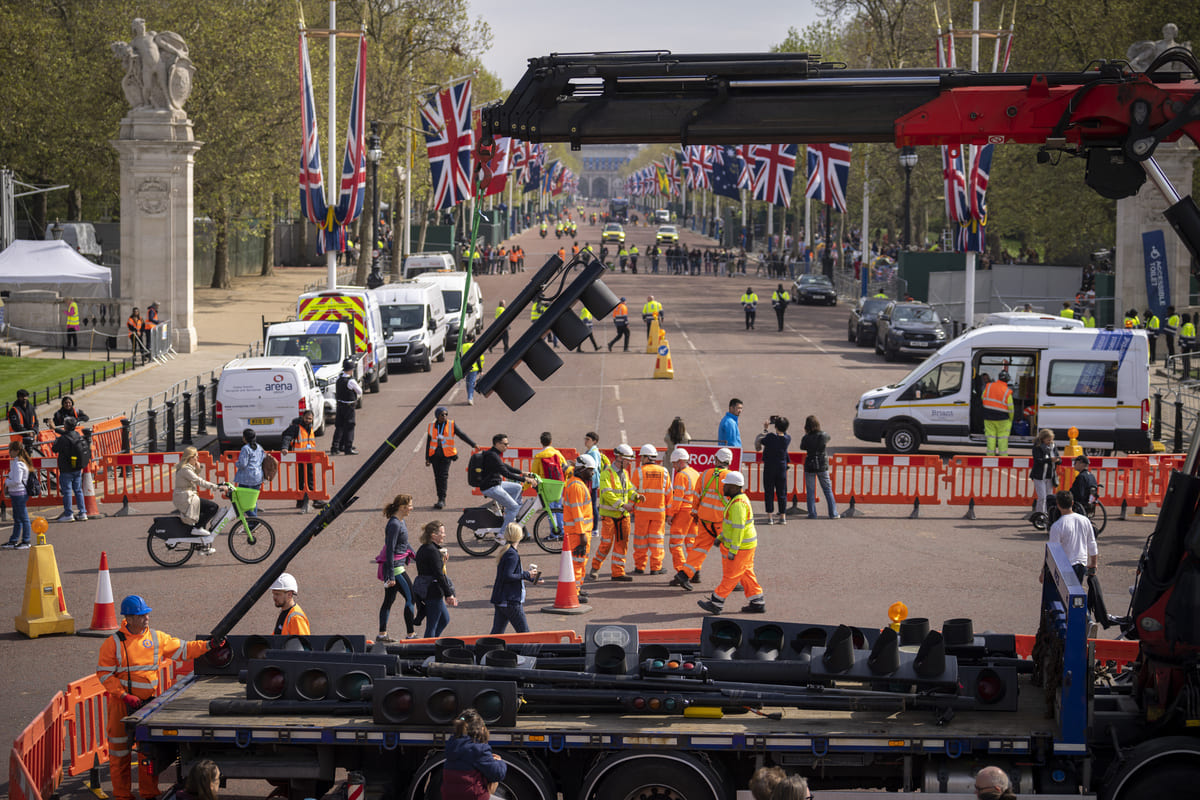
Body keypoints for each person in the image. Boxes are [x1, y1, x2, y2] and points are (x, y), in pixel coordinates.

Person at [97, 595, 216, 800]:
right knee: (119, 755)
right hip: (122, 705)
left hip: (146, 704)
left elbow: (185, 649)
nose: (147, 618)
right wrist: (124, 695)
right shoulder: (114, 643)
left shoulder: (156, 638)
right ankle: (122, 796)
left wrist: (208, 646)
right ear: (130, 618)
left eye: (147, 614)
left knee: (147, 754)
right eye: (142, 615)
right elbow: (104, 674)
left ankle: (149, 793)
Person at [697, 470, 766, 614]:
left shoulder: (738, 504)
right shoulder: (736, 500)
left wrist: (733, 551)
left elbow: (738, 529)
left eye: (726, 485)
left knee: (732, 576)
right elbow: (730, 526)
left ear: (734, 487)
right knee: (746, 573)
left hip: (741, 547)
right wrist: (721, 537)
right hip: (745, 546)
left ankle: (716, 602)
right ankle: (757, 601)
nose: (723, 487)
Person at [671, 447, 733, 591]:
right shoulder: (731, 477)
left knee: (699, 549)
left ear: (716, 460)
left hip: (705, 519)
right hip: (721, 521)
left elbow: (696, 496)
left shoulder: (705, 474)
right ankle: (732, 580)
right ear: (728, 461)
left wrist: (694, 514)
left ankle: (684, 575)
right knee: (727, 551)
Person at [588, 443, 637, 582]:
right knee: (606, 543)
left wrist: (636, 497)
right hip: (609, 515)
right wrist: (623, 505)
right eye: (627, 460)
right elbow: (607, 494)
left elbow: (629, 490)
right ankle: (595, 568)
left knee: (622, 544)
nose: (628, 463)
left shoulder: (625, 474)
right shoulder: (606, 473)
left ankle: (618, 572)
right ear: (620, 458)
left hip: (623, 516)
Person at [441, 708, 506, 800]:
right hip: (474, 796)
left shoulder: (451, 746)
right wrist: (499, 762)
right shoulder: (478, 749)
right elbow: (498, 774)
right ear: (481, 729)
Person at [377, 494, 417, 643]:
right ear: (402, 507)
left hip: (395, 567)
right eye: (410, 506)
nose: (411, 509)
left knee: (389, 600)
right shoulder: (394, 524)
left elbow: (405, 544)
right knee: (411, 598)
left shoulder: (401, 521)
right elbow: (390, 549)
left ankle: (382, 635)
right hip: (396, 569)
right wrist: (391, 576)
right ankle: (411, 635)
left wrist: (416, 557)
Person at [480, 433, 538, 534]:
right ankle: (502, 535)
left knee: (517, 488)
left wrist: (522, 472)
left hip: (495, 483)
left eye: (508, 444)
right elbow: (506, 473)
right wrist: (525, 479)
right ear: (497, 444)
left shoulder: (493, 454)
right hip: (491, 487)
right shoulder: (492, 455)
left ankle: (510, 514)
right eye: (505, 444)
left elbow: (504, 466)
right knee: (514, 507)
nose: (508, 446)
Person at [490, 523, 542, 633]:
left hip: (501, 599)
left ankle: (484, 649)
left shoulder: (506, 551)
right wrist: (527, 575)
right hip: (510, 601)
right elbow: (508, 576)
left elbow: (511, 573)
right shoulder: (512, 554)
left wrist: (530, 577)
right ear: (519, 536)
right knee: (524, 634)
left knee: (496, 634)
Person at [425, 407, 476, 510]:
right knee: (437, 477)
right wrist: (427, 458)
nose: (444, 416)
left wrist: (473, 444)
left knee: (443, 477)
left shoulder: (451, 424)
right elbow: (428, 443)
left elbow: (462, 435)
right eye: (442, 415)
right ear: (437, 416)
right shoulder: (431, 426)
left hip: (446, 455)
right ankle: (440, 498)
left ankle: (442, 500)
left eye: (446, 414)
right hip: (435, 456)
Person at [414, 520, 458, 638]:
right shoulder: (433, 552)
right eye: (442, 532)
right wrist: (449, 594)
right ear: (434, 535)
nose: (444, 535)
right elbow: (439, 575)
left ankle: (433, 643)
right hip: (433, 591)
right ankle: (428, 648)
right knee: (432, 625)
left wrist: (442, 561)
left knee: (444, 619)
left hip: (427, 589)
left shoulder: (425, 548)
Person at [173, 446, 222, 553]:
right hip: (184, 497)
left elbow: (194, 477)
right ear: (190, 457)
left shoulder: (188, 468)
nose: (197, 458)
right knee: (213, 507)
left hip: (187, 495)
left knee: (203, 513)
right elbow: (198, 481)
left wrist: (197, 469)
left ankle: (201, 545)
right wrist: (217, 487)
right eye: (196, 456)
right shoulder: (186, 469)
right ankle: (198, 528)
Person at [1045, 490, 1098, 584]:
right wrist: (1094, 563)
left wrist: (1044, 571)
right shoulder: (1085, 520)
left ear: (1058, 505)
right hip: (1081, 563)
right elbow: (1092, 543)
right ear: (1072, 503)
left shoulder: (1057, 525)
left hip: (1065, 565)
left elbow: (1053, 552)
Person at [631, 444, 669, 575]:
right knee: (657, 540)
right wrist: (670, 513)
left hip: (642, 512)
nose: (641, 459)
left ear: (646, 457)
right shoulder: (664, 472)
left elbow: (632, 492)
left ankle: (640, 567)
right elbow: (669, 493)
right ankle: (656, 567)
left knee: (640, 540)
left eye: (642, 457)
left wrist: (631, 507)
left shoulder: (639, 472)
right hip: (659, 513)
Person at [563, 455, 596, 601]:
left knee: (581, 562)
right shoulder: (576, 486)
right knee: (577, 563)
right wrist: (582, 534)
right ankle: (574, 592)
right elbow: (577, 513)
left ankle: (578, 587)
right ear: (582, 470)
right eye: (591, 470)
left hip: (581, 532)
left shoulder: (578, 483)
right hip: (577, 533)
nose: (593, 474)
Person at [281, 409, 324, 510]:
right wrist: (285, 447)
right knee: (301, 480)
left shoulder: (310, 427)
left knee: (310, 480)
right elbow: (287, 436)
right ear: (302, 417)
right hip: (300, 458)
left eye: (310, 419)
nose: (308, 420)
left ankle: (311, 500)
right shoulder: (296, 427)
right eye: (306, 418)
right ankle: (302, 501)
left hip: (310, 458)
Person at [666, 448, 700, 575]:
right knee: (691, 542)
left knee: (675, 543)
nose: (674, 467)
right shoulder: (695, 473)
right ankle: (695, 570)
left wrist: (671, 514)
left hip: (683, 513)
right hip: (694, 512)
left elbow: (678, 498)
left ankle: (682, 572)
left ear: (680, 462)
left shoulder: (681, 476)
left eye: (674, 464)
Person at [800, 416, 839, 520]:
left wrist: (806, 434)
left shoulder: (806, 437)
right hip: (822, 464)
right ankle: (833, 513)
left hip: (810, 465)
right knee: (827, 489)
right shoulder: (823, 435)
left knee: (810, 491)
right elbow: (828, 438)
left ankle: (812, 513)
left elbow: (802, 447)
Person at [757, 416, 793, 523]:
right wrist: (782, 424)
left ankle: (770, 517)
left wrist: (766, 428)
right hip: (781, 468)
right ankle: (783, 516)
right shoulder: (787, 439)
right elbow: (784, 433)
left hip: (769, 468)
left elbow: (762, 439)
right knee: (782, 492)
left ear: (776, 427)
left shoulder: (771, 437)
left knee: (769, 492)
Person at [52, 416, 88, 522]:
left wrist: (56, 440)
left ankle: (69, 514)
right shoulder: (77, 434)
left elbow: (55, 449)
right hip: (77, 467)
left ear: (65, 426)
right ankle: (82, 512)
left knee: (67, 491)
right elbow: (68, 435)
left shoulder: (63, 439)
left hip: (66, 468)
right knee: (78, 490)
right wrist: (55, 429)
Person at [3, 440, 33, 550]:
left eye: (10, 450)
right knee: (18, 518)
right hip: (18, 493)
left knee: (23, 519)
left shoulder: (18, 463)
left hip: (18, 493)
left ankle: (26, 540)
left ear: (15, 451)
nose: (9, 452)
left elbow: (16, 481)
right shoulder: (20, 462)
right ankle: (14, 540)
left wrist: (6, 482)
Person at [233, 428, 264, 517]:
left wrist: (236, 463)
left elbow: (243, 464)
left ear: (245, 438)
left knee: (242, 502)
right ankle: (252, 523)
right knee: (253, 501)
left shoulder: (245, 448)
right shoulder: (259, 447)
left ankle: (254, 520)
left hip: (246, 478)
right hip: (258, 476)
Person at [982, 371, 1014, 456]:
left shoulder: (989, 386)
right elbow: (1010, 408)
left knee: (991, 438)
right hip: (1003, 419)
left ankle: (990, 458)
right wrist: (1011, 419)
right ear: (1007, 380)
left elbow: (983, 397)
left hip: (988, 416)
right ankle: (1003, 458)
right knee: (1002, 439)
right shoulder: (1007, 391)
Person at [1030, 428, 1059, 521]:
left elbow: (1058, 457)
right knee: (1042, 497)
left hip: (1050, 475)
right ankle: (1040, 515)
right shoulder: (1037, 447)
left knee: (1049, 497)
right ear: (1043, 439)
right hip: (1039, 475)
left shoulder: (1053, 446)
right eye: (1048, 440)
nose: (1050, 441)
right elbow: (1038, 460)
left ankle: (1048, 515)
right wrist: (1050, 460)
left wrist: (1058, 460)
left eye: (1051, 439)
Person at [8, 388, 38, 452]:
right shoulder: (14, 410)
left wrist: (34, 431)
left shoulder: (30, 407)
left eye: (26, 396)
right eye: (22, 397)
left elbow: (36, 422)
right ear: (18, 397)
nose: (24, 398)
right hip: (18, 442)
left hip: (31, 440)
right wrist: (27, 433)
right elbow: (15, 426)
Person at [459, 331, 482, 404]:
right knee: (472, 382)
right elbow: (477, 358)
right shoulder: (474, 346)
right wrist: (481, 369)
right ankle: (470, 397)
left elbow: (460, 357)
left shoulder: (462, 347)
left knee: (468, 382)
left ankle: (469, 396)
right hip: (474, 367)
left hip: (465, 367)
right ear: (472, 339)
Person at [1180, 313, 1196, 378]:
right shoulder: (1191, 325)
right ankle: (1186, 373)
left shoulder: (1186, 326)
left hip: (1186, 346)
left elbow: (1186, 338)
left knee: (1185, 360)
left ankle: (1186, 375)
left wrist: (1183, 347)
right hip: (1189, 345)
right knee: (1186, 360)